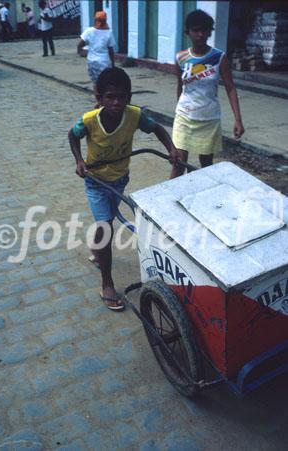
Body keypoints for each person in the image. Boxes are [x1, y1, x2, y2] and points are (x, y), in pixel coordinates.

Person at [68, 67, 180, 311]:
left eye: (121, 96)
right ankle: (107, 283)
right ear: (99, 98)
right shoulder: (88, 120)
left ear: (129, 96)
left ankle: (96, 249)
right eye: (110, 97)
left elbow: (158, 129)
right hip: (96, 181)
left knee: (106, 221)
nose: (116, 102)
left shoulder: (135, 115)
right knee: (105, 224)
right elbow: (72, 135)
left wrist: (171, 148)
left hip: (119, 179)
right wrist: (79, 160)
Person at [170, 9, 245, 178]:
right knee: (178, 164)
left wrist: (238, 120)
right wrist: (178, 110)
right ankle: (166, 203)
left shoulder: (219, 57)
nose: (200, 34)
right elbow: (179, 87)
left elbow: (230, 88)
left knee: (206, 166)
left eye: (204, 30)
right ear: (188, 32)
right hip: (184, 117)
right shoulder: (181, 58)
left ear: (210, 31)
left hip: (209, 119)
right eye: (195, 30)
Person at [77, 11, 115, 95]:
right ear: (106, 20)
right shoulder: (109, 32)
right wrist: (113, 64)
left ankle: (98, 100)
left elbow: (80, 44)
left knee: (95, 82)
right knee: (106, 82)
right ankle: (104, 100)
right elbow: (111, 50)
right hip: (104, 62)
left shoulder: (89, 31)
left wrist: (81, 52)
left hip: (92, 61)